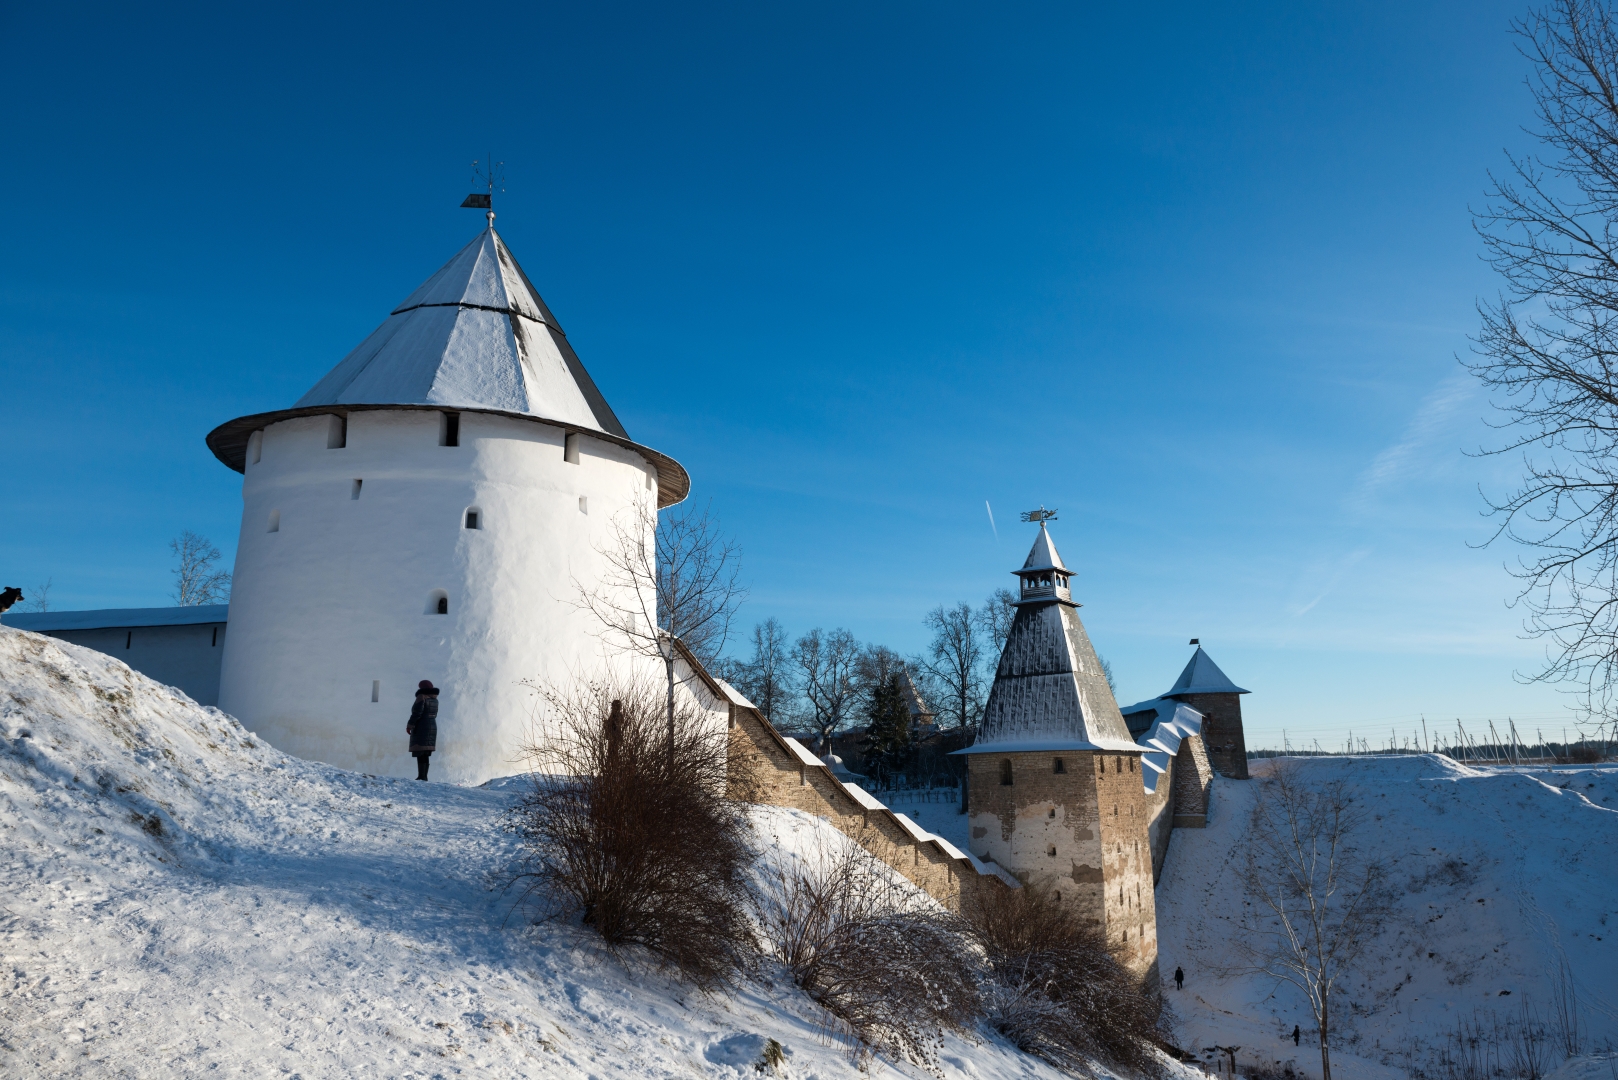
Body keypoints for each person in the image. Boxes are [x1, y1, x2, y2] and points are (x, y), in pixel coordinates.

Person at [407, 680, 439, 780]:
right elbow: (435, 714)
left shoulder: (421, 697)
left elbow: (417, 713)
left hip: (422, 726)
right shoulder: (435, 699)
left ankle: (421, 776)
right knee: (426, 752)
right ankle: (424, 776)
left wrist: (410, 725)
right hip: (432, 725)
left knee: (420, 751)